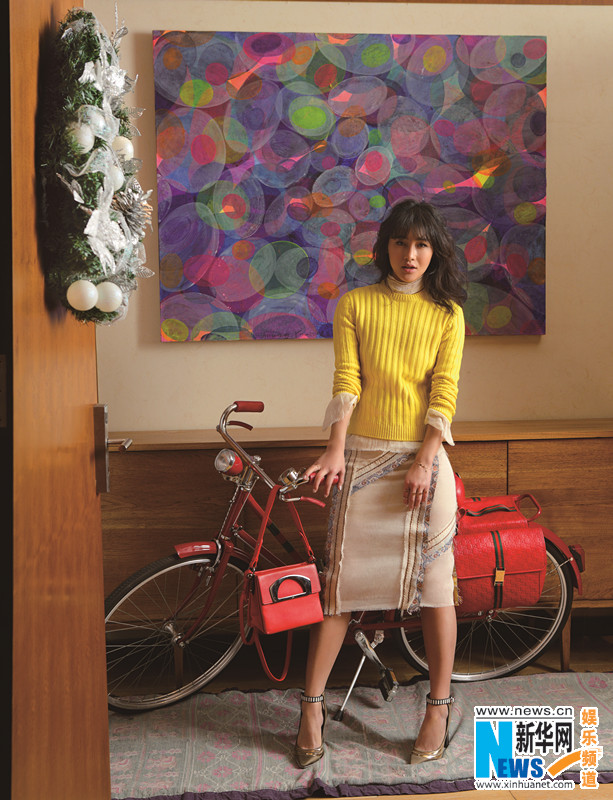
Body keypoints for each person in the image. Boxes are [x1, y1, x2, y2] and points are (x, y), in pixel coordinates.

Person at [294, 199, 467, 769]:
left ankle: (437, 707)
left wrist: (425, 460)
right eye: (400, 242)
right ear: (385, 247)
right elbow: (348, 378)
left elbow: (444, 391)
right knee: (339, 589)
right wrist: (335, 449)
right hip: (364, 459)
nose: (410, 254)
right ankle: (311, 707)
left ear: (433, 251)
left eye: (421, 244)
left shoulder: (447, 314)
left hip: (424, 463)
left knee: (436, 588)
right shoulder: (356, 304)